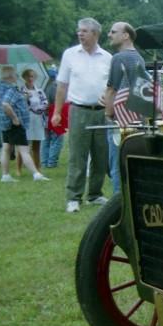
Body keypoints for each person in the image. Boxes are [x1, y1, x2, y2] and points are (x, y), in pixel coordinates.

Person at [52, 17, 112, 212]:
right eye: (79, 31)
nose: (80, 34)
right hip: (78, 110)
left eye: (84, 31)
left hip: (102, 112)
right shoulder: (70, 55)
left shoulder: (107, 57)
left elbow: (113, 87)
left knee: (101, 155)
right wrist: (57, 112)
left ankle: (95, 194)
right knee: (78, 155)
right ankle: (73, 197)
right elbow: (61, 86)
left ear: (95, 34)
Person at [103, 21, 145, 194]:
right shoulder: (139, 57)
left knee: (116, 165)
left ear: (126, 35)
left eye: (113, 31)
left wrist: (107, 113)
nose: (109, 34)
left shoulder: (119, 57)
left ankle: (119, 205)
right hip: (137, 118)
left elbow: (112, 90)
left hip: (120, 120)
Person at [0, 65, 49, 182]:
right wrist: (15, 118)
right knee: (24, 150)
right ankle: (36, 174)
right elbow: (5, 104)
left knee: (6, 149)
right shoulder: (11, 89)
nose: (17, 78)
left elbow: (4, 102)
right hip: (14, 124)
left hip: (4, 123)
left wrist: (22, 97)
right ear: (11, 76)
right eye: (16, 75)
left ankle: (5, 175)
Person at [21, 68, 48, 170]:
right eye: (28, 76)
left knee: (37, 145)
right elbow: (19, 105)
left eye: (32, 76)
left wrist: (38, 109)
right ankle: (19, 168)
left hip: (37, 119)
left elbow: (45, 103)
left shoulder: (39, 91)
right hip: (26, 119)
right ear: (24, 77)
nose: (30, 78)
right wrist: (25, 99)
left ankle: (37, 167)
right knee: (24, 145)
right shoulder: (21, 90)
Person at [41, 66, 66, 168]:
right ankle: (52, 162)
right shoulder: (54, 88)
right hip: (53, 115)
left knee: (46, 140)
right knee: (56, 140)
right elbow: (59, 102)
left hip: (44, 117)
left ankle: (44, 161)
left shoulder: (41, 87)